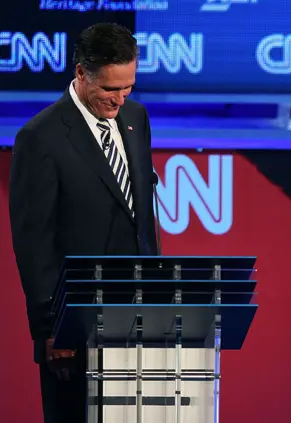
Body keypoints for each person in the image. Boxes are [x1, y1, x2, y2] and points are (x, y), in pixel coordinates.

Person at [9, 23, 158, 423]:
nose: (119, 98)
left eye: (127, 87)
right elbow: (34, 244)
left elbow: (142, 218)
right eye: (110, 89)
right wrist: (49, 330)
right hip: (78, 326)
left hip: (139, 317)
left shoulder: (135, 118)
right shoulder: (40, 138)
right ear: (80, 73)